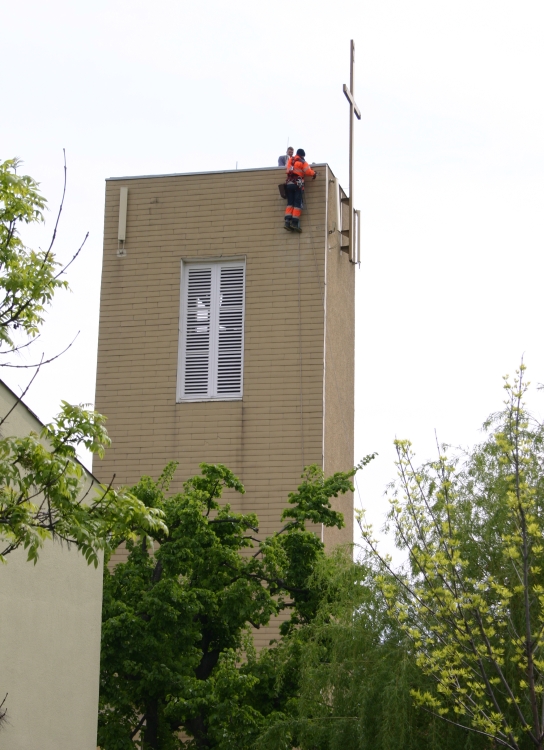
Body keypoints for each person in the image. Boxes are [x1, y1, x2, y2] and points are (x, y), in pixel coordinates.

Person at [284, 148, 317, 232]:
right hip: (297, 184)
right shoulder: (302, 162)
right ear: (302, 155)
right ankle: (295, 223)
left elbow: (287, 170)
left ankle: (287, 221)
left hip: (289, 183)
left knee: (290, 202)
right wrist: (314, 173)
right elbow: (308, 172)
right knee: (297, 203)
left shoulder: (290, 160)